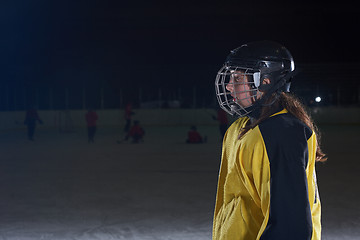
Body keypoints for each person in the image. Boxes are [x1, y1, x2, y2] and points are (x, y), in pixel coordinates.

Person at [213, 41, 327, 240]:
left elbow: (290, 226)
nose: (229, 86)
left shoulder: (282, 134)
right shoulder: (238, 128)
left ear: (265, 81)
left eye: (237, 78)